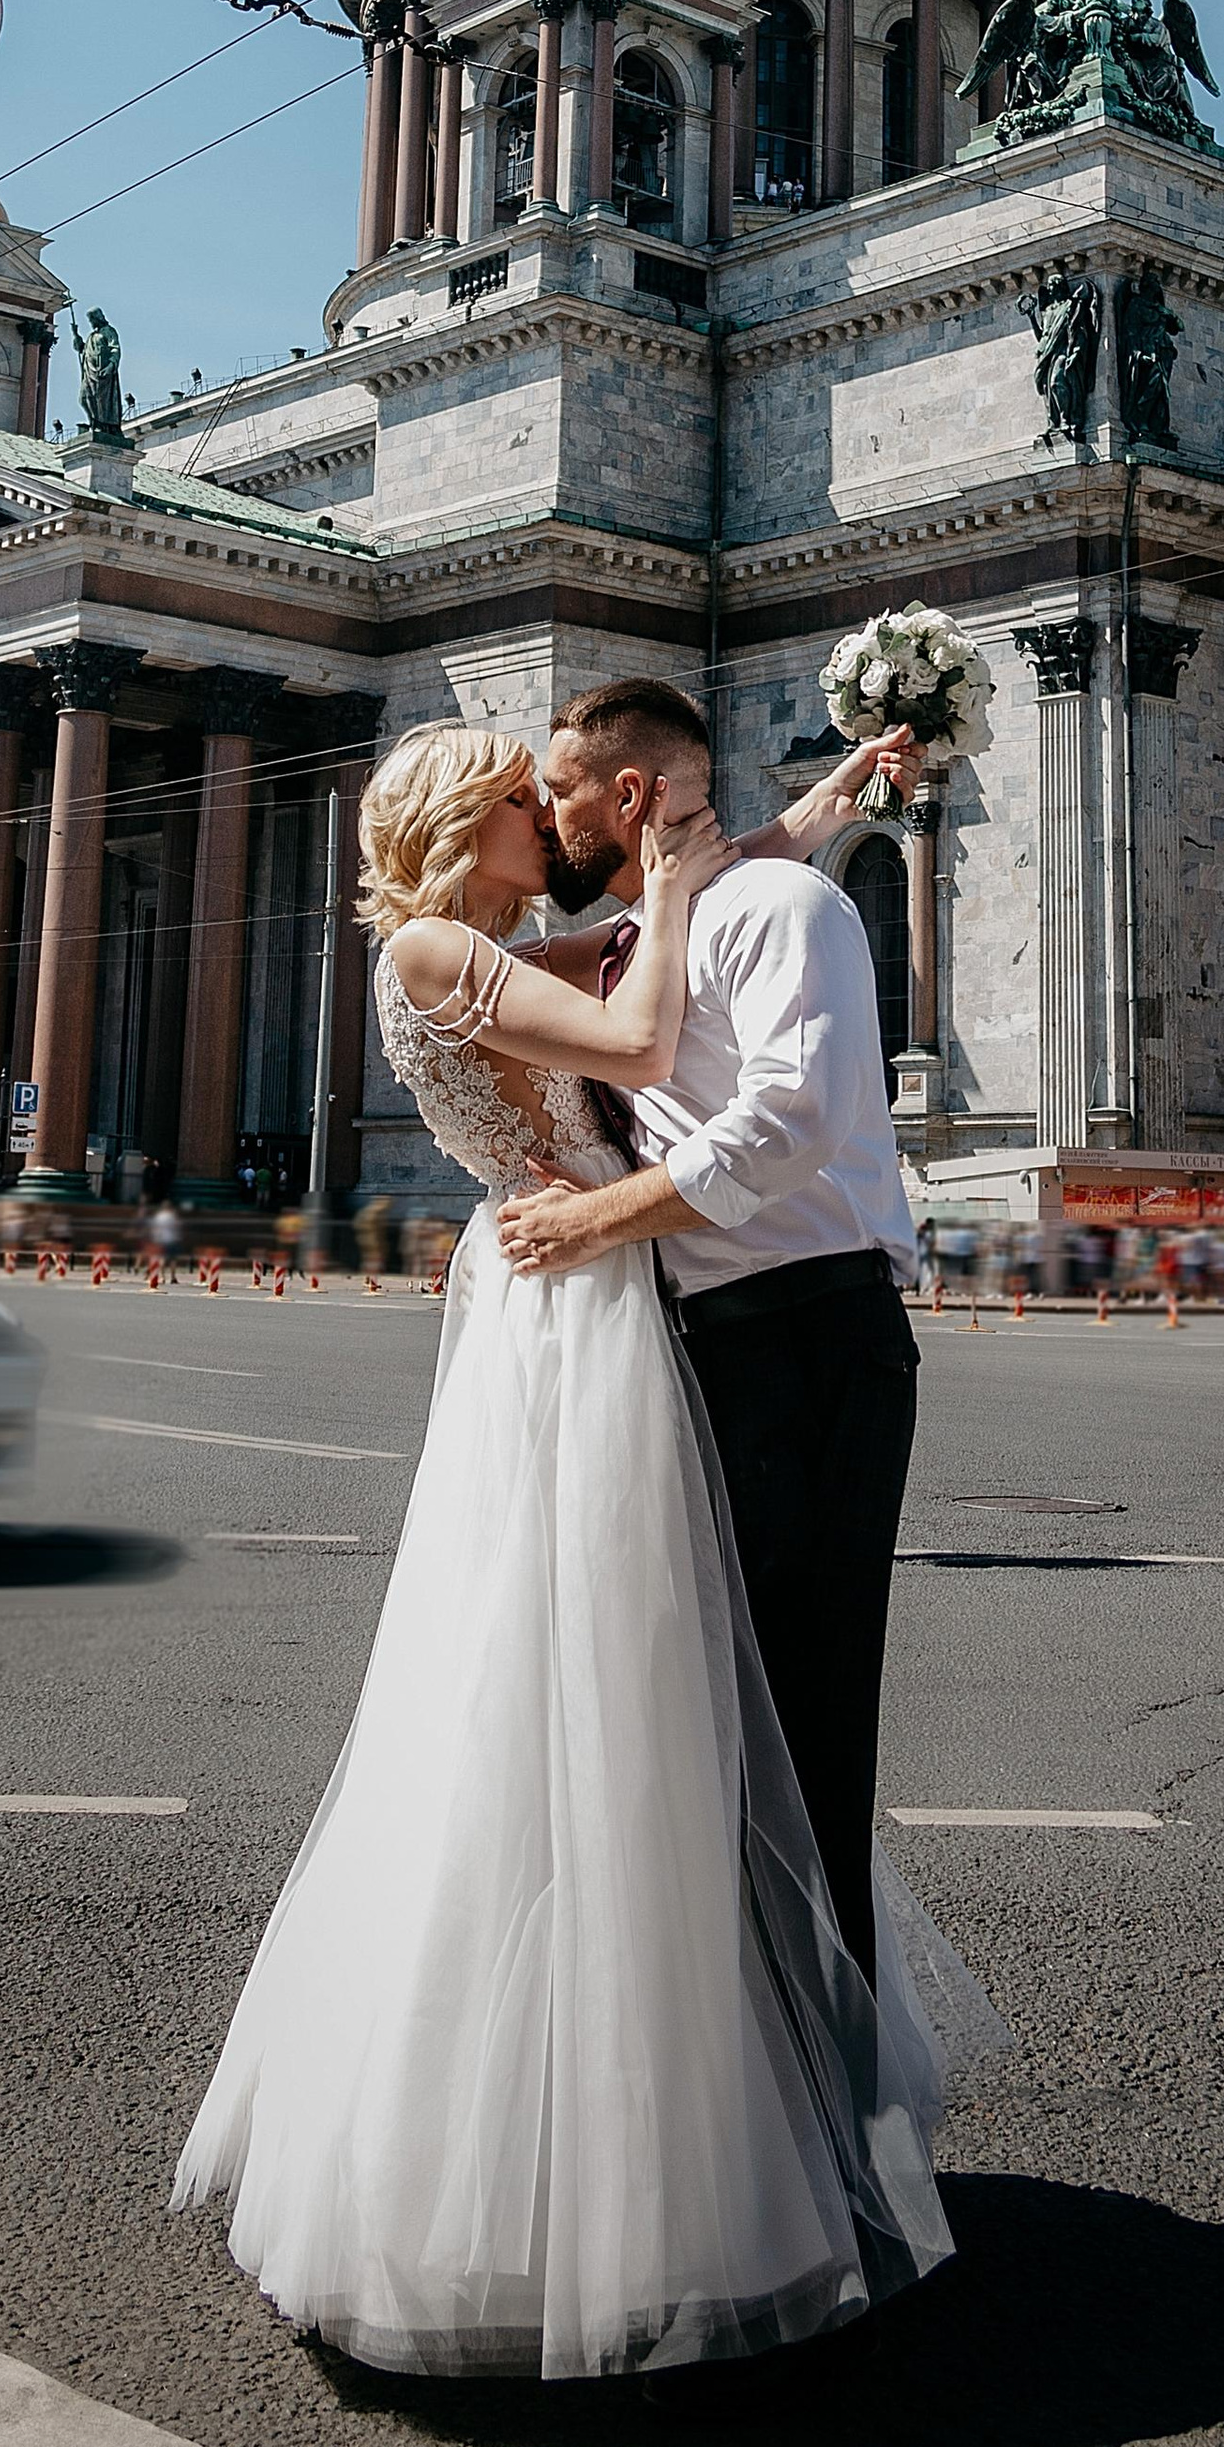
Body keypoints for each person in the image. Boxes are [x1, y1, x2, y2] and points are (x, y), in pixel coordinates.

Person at [173, 714, 1001, 2383]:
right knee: (586, 1688)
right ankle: (608, 2162)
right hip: (580, 1303)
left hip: (604, 1304)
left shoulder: (498, 945)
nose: (544, 822)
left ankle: (725, 2106)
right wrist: (678, 881)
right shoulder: (433, 949)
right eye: (516, 799)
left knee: (632, 1691)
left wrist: (819, 803)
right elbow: (638, 1029)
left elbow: (684, 896)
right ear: (452, 824)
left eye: (550, 793)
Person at [494, 679, 942, 1992]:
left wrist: (596, 1221)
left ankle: (832, 2071)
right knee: (702, 1723)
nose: (548, 814)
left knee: (806, 1723)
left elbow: (789, 1122)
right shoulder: (659, 927)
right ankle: (744, 2043)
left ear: (630, 793)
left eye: (562, 791)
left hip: (810, 1337)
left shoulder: (784, 911)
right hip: (694, 1345)